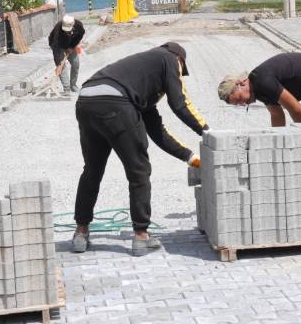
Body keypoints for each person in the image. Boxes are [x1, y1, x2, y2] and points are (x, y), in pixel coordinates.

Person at [72, 42, 209, 256]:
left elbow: (157, 131)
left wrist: (190, 157)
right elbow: (180, 103)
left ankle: (81, 232)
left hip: (86, 100)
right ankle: (141, 235)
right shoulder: (170, 59)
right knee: (138, 171)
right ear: (180, 60)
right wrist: (207, 132)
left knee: (92, 170)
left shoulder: (138, 82)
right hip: (116, 103)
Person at [217, 52, 301, 126]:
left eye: (240, 99)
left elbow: (297, 110)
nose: (243, 104)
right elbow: (277, 115)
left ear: (241, 83)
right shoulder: (259, 90)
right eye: (238, 104)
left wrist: (299, 137)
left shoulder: (262, 81)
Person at [48, 14, 85, 93]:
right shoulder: (58, 28)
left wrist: (72, 46)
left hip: (70, 45)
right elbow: (55, 46)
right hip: (58, 46)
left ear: (73, 25)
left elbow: (80, 36)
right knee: (62, 67)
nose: (66, 31)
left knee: (76, 64)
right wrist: (59, 64)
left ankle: (73, 85)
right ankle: (67, 89)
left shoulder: (79, 26)